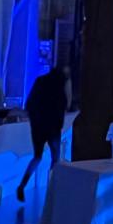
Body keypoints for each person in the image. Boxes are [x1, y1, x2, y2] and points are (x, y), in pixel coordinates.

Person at [17, 65, 70, 201]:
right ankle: (52, 188)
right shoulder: (60, 86)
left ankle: (22, 185)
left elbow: (29, 104)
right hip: (53, 128)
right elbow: (66, 105)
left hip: (38, 127)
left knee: (37, 157)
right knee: (55, 158)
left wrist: (34, 119)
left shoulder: (40, 81)